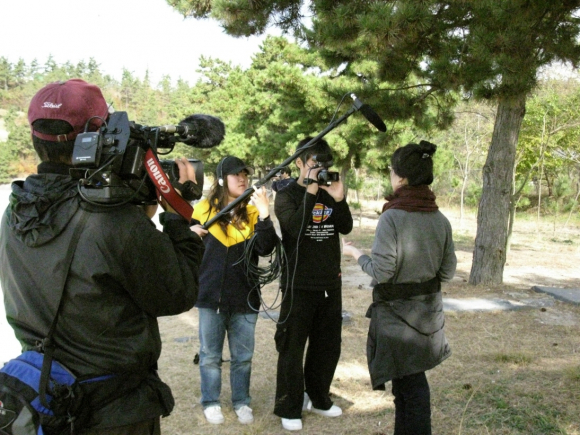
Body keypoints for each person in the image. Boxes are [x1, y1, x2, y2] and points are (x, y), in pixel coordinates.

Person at [0, 79, 205, 435]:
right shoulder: (111, 220)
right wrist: (178, 212)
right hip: (116, 413)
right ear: (100, 138)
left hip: (49, 401)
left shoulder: (17, 210)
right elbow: (179, 292)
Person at [342, 140, 457, 435]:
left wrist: (356, 254)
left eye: (392, 171)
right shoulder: (440, 219)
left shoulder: (392, 217)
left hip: (398, 318)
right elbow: (447, 271)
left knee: (411, 388)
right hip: (428, 315)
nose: (391, 176)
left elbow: (382, 272)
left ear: (401, 178)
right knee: (406, 387)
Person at [190, 156, 278, 426]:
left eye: (245, 174)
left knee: (243, 357)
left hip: (245, 296)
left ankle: (241, 401)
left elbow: (266, 248)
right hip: (210, 296)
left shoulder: (252, 212)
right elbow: (187, 249)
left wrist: (265, 214)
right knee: (210, 356)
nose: (242, 179)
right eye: (235, 174)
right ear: (221, 179)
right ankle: (211, 402)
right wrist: (189, 233)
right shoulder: (203, 210)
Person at [273, 137, 353, 431]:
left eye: (325, 164)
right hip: (299, 285)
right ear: (299, 163)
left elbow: (345, 227)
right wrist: (310, 190)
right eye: (314, 164)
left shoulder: (330, 191)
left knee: (327, 347)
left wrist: (339, 199)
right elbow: (295, 229)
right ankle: (289, 407)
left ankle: (319, 398)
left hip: (329, 284)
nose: (320, 170)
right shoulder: (286, 195)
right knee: (291, 349)